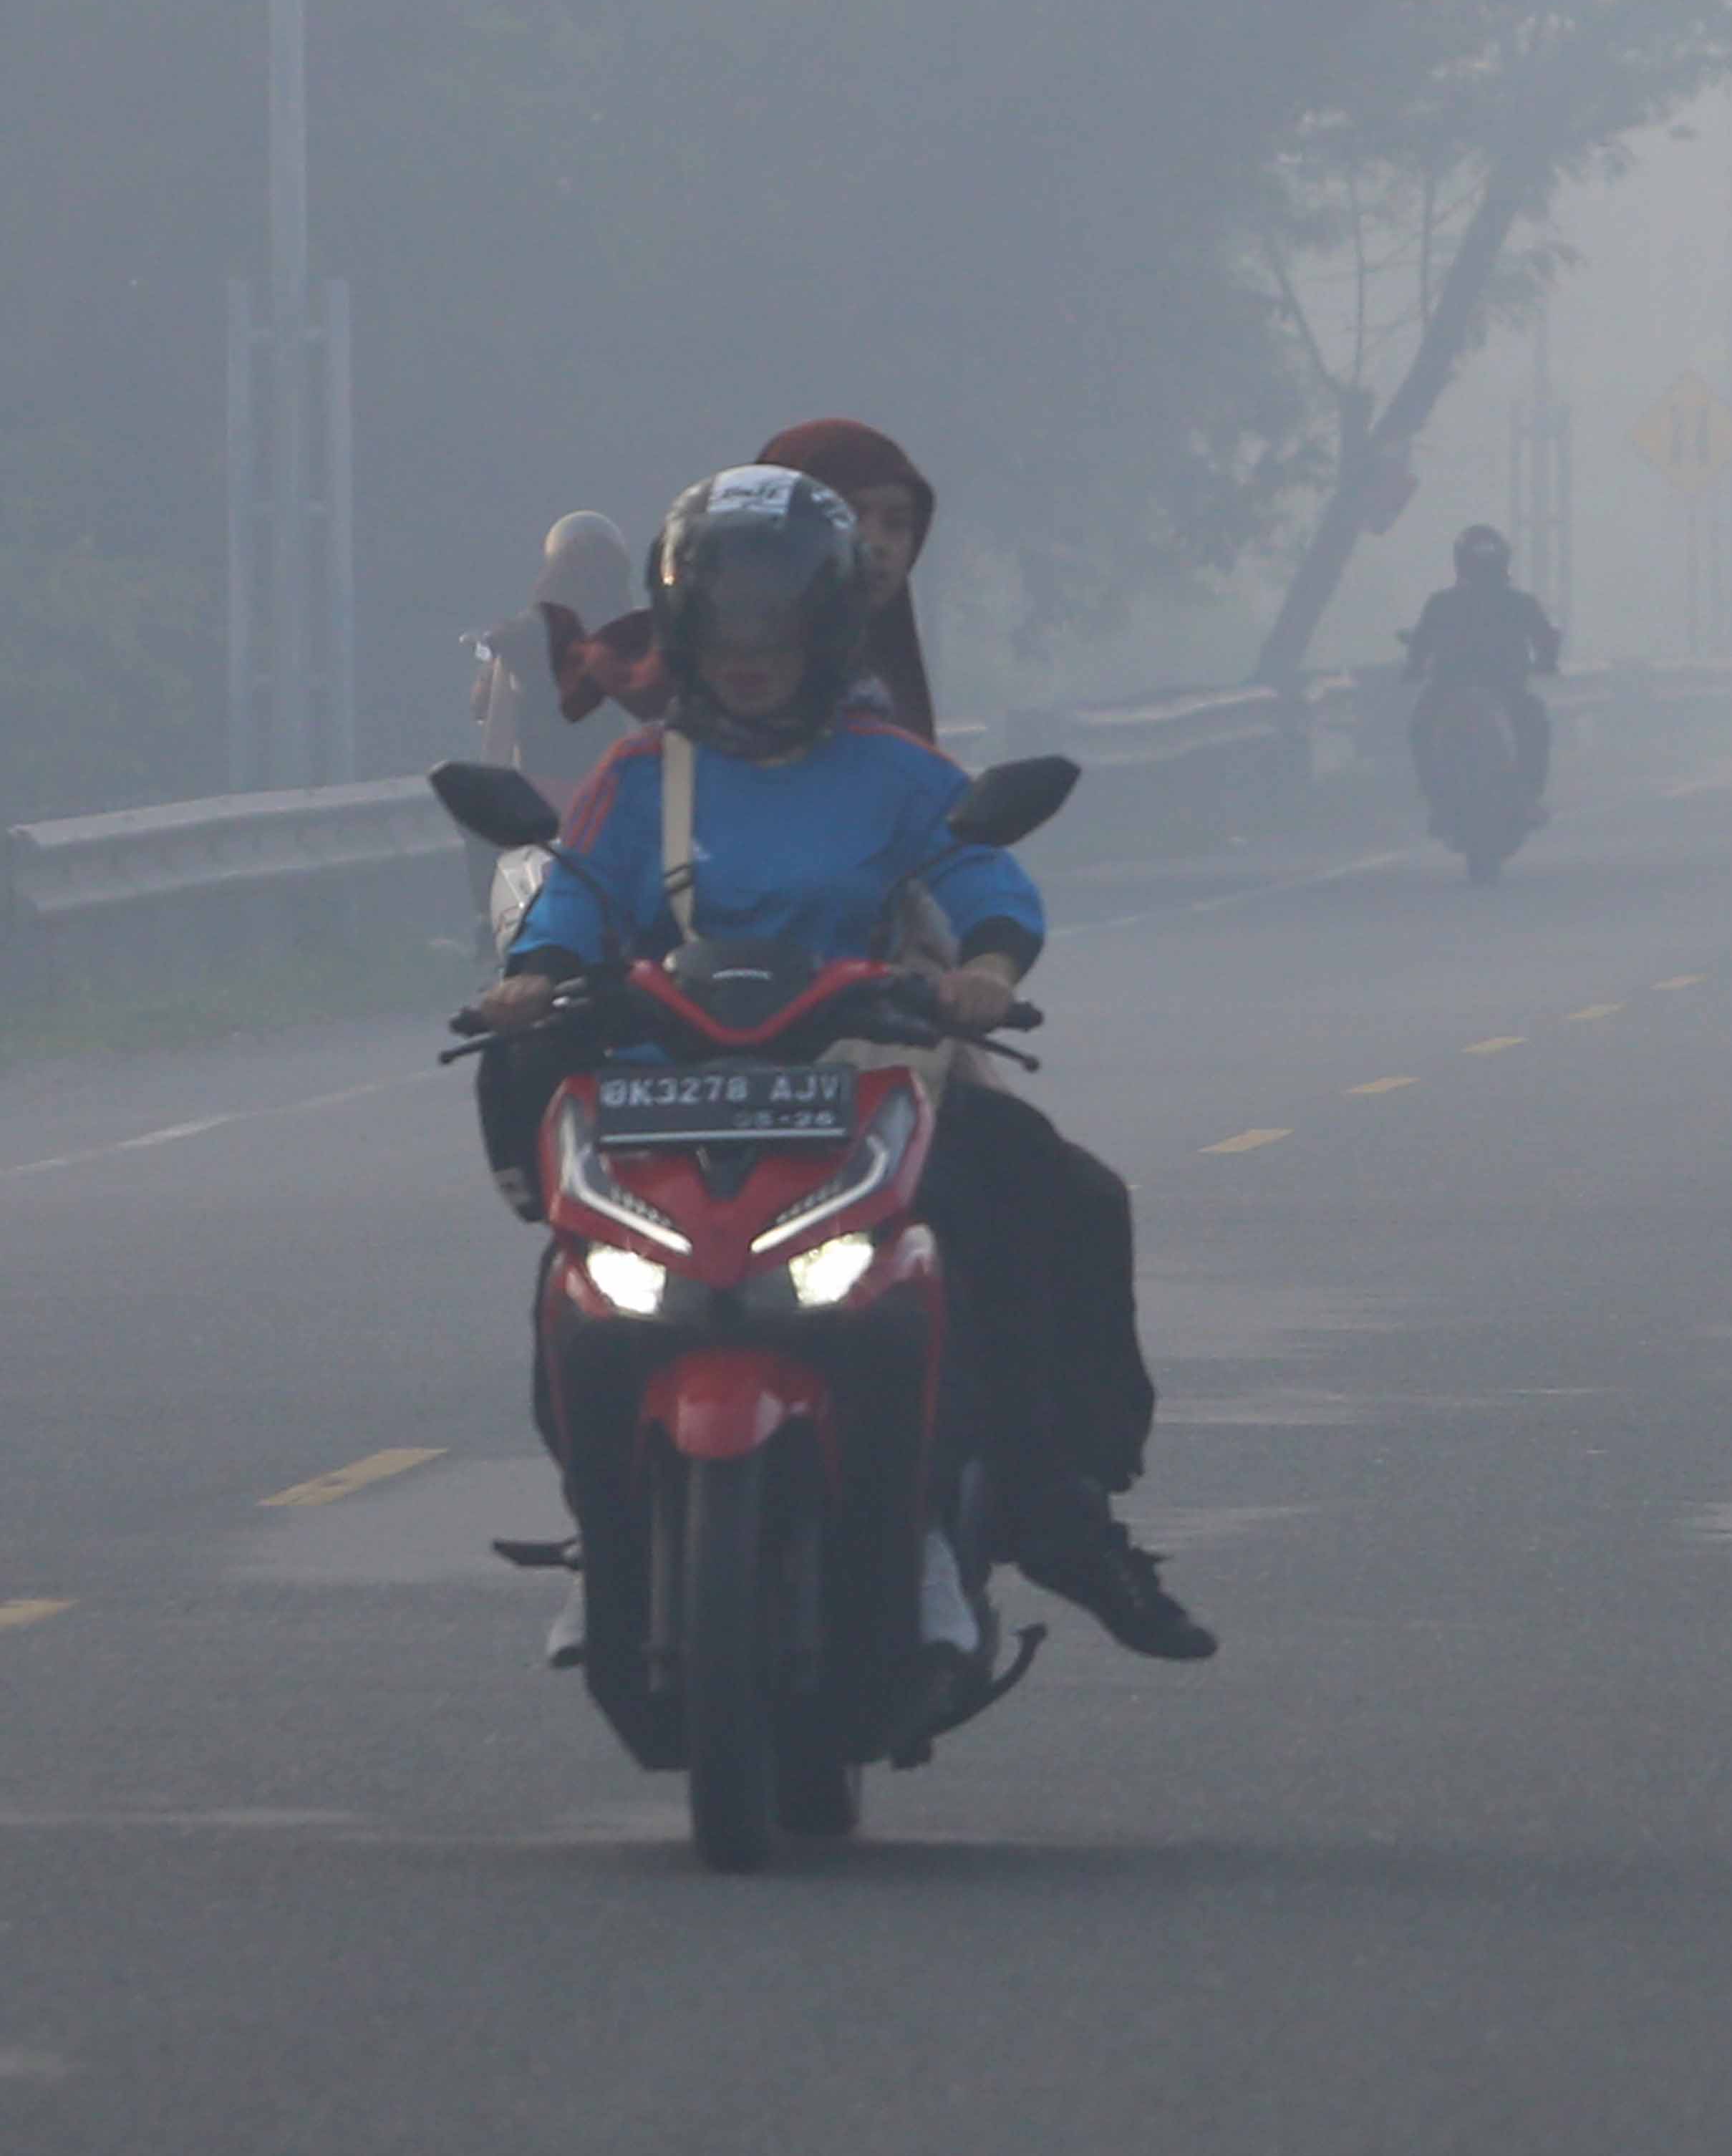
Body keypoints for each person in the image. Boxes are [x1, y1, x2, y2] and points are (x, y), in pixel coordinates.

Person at [480, 466, 1213, 1663]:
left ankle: (1006, 1514)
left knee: (1046, 1207)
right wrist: (534, 974)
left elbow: (984, 880)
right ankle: (604, 1537)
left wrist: (983, 970)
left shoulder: (894, 769)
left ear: (827, 622)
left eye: (777, 616)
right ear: (682, 624)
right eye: (725, 617)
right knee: (580, 1287)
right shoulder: (638, 777)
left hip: (867, 1069)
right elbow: (571, 898)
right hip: (667, 1082)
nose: (749, 646)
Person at [757, 418, 940, 741]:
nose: (876, 543)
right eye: (849, 516)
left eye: (896, 524)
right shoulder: (676, 749)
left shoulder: (907, 749)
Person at [470, 513, 640, 811]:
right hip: (613, 802)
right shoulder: (636, 638)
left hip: (541, 808)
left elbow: (497, 739)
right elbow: (647, 731)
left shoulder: (518, 637)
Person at [1406, 525, 1561, 821]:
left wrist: (1413, 667)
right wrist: (1547, 662)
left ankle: (1433, 794)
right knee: (1535, 724)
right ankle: (1528, 794)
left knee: (1421, 725)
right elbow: (1545, 642)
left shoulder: (1441, 603)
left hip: (1454, 688)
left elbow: (1420, 645)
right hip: (1502, 688)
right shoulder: (1520, 603)